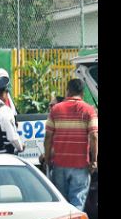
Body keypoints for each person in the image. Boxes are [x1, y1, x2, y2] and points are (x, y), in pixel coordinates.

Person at [39, 78, 98, 211]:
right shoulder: (89, 110)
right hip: (81, 164)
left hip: (59, 164)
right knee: (77, 200)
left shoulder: (55, 110)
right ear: (82, 93)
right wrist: (94, 161)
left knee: (62, 203)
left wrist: (47, 158)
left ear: (67, 91)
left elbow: (48, 137)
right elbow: (94, 136)